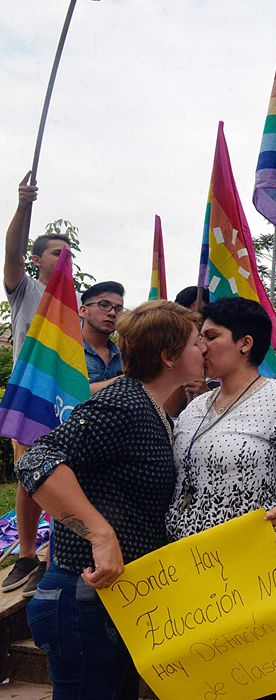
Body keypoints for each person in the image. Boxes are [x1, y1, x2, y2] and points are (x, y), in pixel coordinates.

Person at [17, 300, 205, 697]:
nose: (203, 348)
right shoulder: (124, 403)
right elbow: (36, 460)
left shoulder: (152, 408)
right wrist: (100, 534)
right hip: (83, 603)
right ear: (168, 356)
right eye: (195, 342)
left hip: (115, 603)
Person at [167, 297, 276, 579]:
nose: (201, 346)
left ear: (245, 343)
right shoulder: (195, 407)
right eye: (200, 338)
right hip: (192, 562)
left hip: (258, 562)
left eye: (211, 336)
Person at [3, 174, 71, 596]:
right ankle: (26, 555)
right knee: (30, 475)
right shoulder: (26, 290)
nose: (64, 258)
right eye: (56, 252)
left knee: (64, 476)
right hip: (30, 397)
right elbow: (10, 253)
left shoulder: (75, 302)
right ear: (37, 259)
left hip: (65, 399)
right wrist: (23, 206)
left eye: (68, 253)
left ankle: (53, 557)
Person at [79, 281, 125, 393]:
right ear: (83, 311)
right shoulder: (65, 351)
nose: (112, 313)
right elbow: (65, 393)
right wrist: (124, 381)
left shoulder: (125, 357)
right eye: (104, 305)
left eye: (119, 309)